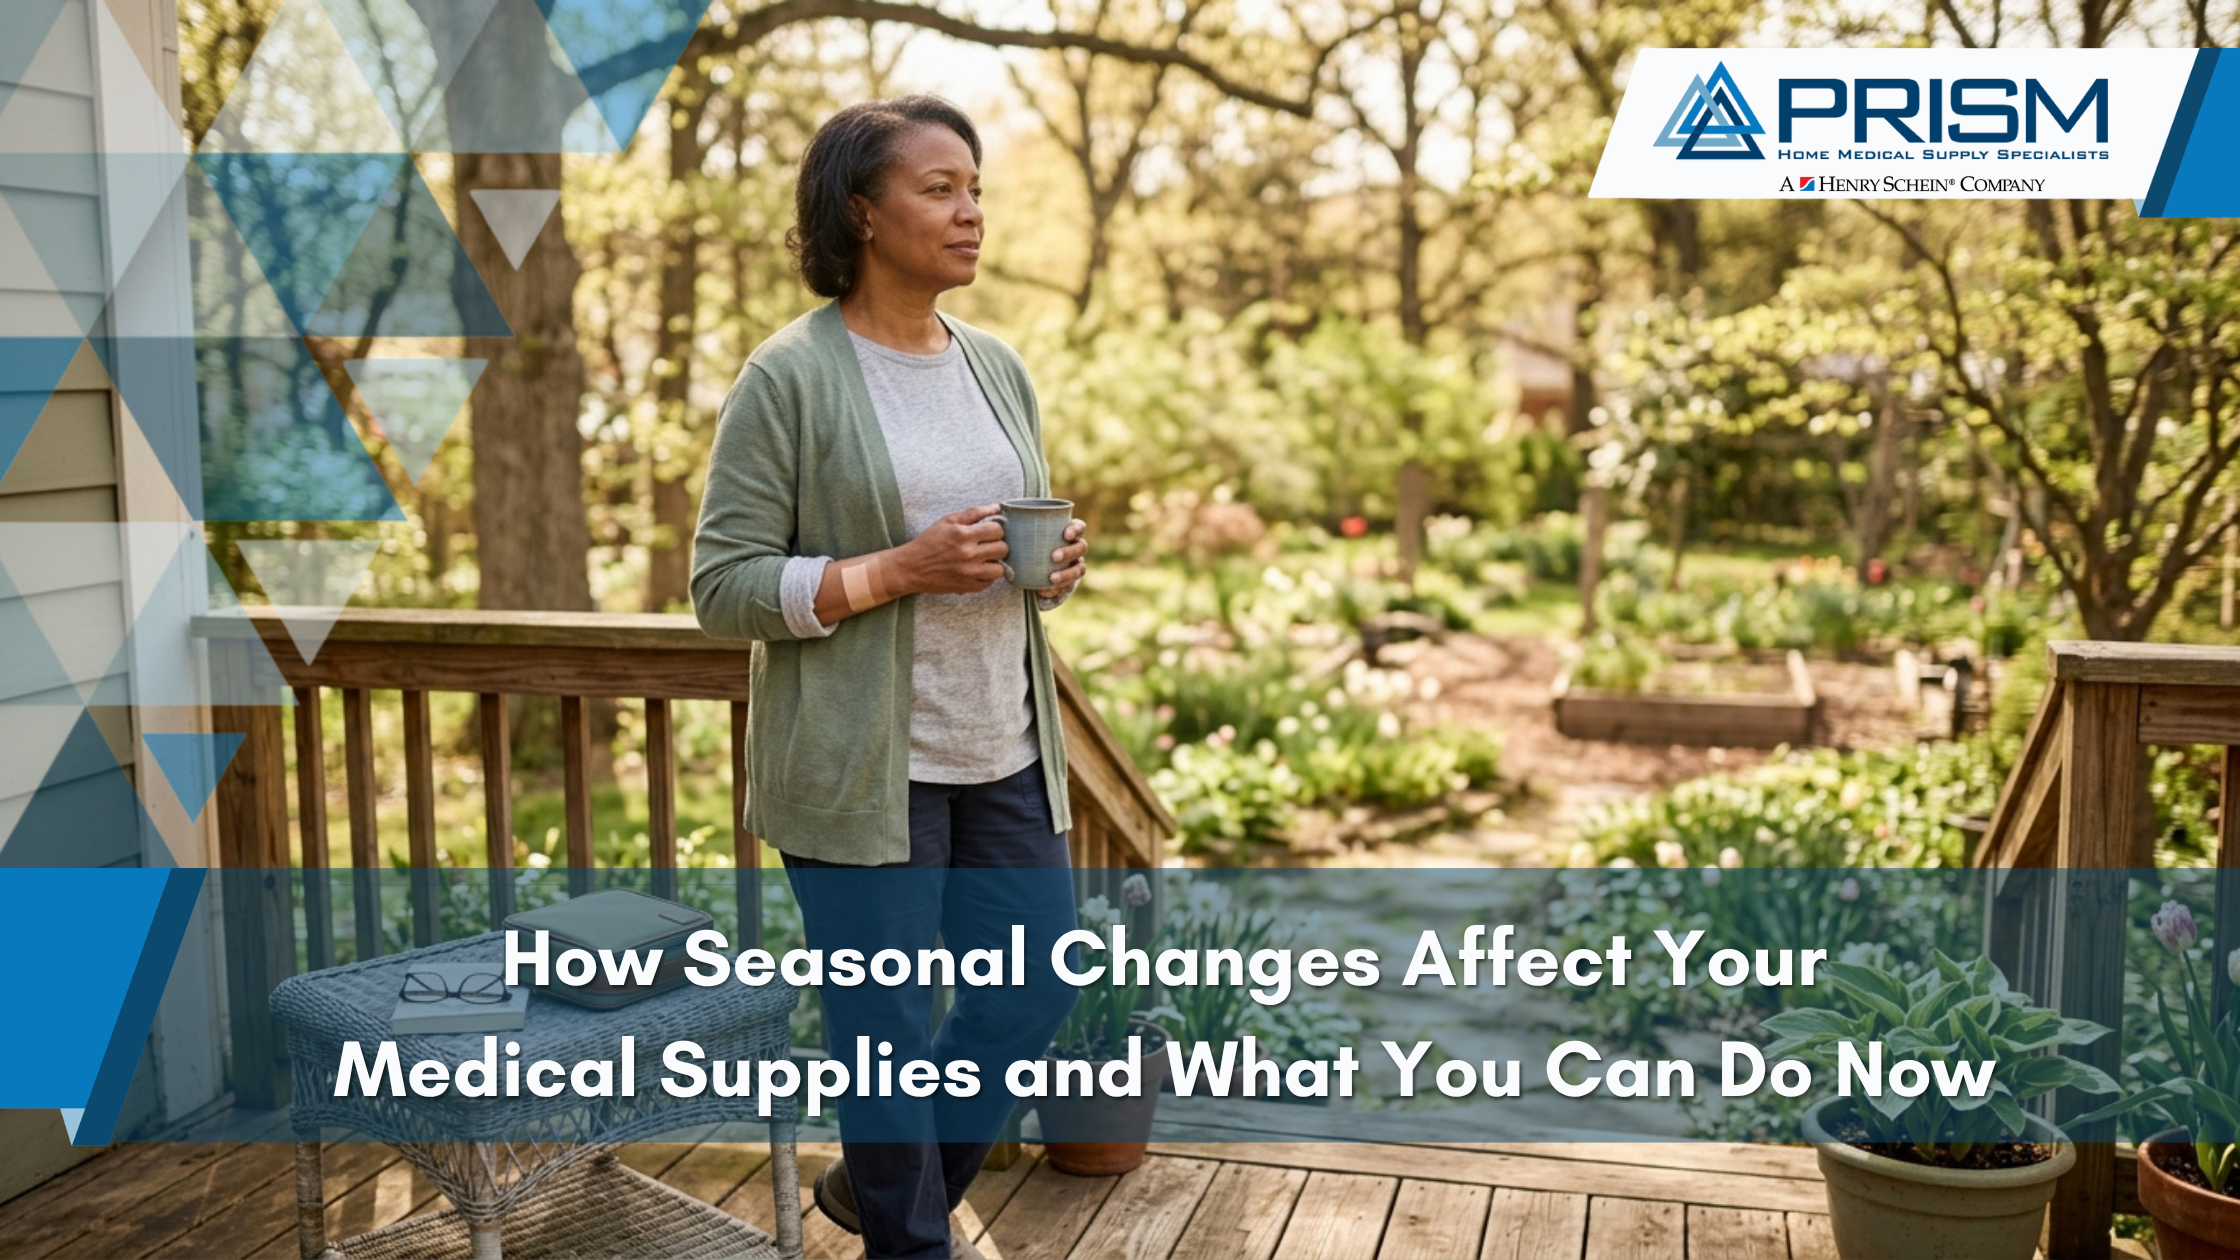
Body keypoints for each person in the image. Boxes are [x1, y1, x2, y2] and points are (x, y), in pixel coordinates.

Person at [689, 95, 1088, 1260]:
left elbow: (1011, 548)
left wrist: (1050, 569)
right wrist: (896, 571)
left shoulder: (994, 364)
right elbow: (724, 586)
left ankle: (875, 1196)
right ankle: (905, 1239)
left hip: (1003, 750)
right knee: (888, 1035)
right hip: (866, 773)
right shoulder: (790, 377)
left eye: (975, 190)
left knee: (1028, 994)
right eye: (939, 188)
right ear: (861, 212)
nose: (969, 213)